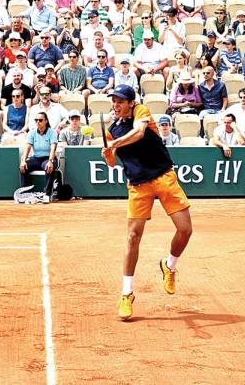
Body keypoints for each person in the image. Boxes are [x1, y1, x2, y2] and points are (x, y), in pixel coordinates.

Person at [101, 84, 192, 321]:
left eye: (121, 101)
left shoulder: (141, 112)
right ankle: (126, 293)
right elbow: (111, 163)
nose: (116, 105)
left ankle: (169, 265)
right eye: (114, 101)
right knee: (133, 236)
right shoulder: (111, 130)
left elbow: (139, 133)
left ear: (131, 103)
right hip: (138, 185)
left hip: (164, 177)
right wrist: (109, 153)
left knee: (185, 230)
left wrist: (114, 145)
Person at [19, 111, 59, 200]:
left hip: (48, 158)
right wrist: (23, 161)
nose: (38, 122)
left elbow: (53, 148)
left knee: (49, 167)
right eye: (36, 120)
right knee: (23, 167)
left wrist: (50, 161)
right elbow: (28, 147)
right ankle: (26, 193)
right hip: (36, 158)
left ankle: (47, 194)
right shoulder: (32, 133)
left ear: (46, 121)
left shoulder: (52, 132)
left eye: (40, 120)